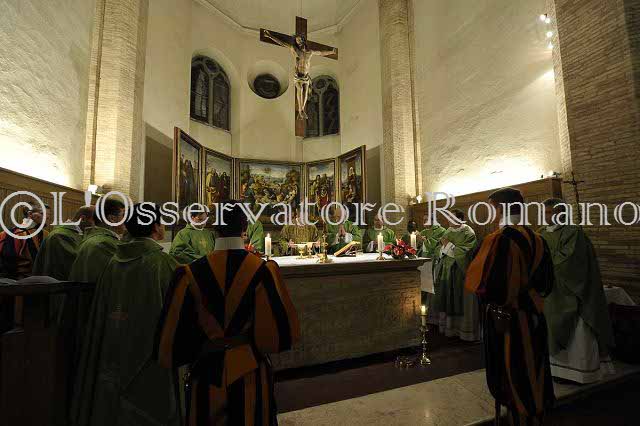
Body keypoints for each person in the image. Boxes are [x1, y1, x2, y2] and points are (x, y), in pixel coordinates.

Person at [154, 201, 300, 425]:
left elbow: (172, 340)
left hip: (205, 371)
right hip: (249, 370)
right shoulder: (262, 270)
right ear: (245, 227)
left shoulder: (188, 274)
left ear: (214, 228)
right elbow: (280, 335)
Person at [72, 203, 179, 426]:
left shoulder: (113, 261)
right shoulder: (163, 264)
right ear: (156, 227)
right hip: (150, 361)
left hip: (113, 348)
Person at [465, 187, 555, 425]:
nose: (492, 214)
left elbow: (486, 286)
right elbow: (547, 284)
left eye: (492, 208)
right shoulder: (538, 238)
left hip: (508, 319)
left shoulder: (497, 240)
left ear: (500, 208)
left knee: (512, 372)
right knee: (534, 368)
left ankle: (518, 418)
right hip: (534, 314)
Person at [540, 198, 614, 383]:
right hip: (550, 293)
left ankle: (581, 373)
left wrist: (543, 266)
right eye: (545, 212)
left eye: (550, 212)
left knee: (577, 334)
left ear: (561, 213)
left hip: (572, 292)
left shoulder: (574, 233)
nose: (546, 216)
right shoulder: (541, 233)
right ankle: (557, 371)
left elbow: (570, 262)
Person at [430, 209, 479, 341]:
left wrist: (449, 246)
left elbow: (466, 253)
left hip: (459, 271)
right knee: (447, 298)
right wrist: (443, 248)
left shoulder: (468, 233)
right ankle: (448, 328)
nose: (448, 220)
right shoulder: (448, 231)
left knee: (458, 298)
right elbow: (438, 248)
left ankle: (462, 331)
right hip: (446, 270)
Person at [69, 198, 126, 285]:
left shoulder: (94, 238)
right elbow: (119, 277)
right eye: (124, 215)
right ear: (112, 219)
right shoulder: (105, 243)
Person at [32, 206, 95, 280]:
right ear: (83, 219)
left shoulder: (75, 233)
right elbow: (76, 266)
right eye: (96, 221)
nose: (97, 225)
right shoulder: (60, 236)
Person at [0, 204, 49, 279]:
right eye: (42, 213)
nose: (47, 217)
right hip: (17, 279)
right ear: (30, 214)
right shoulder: (10, 234)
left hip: (39, 278)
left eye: (48, 214)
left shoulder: (46, 234)